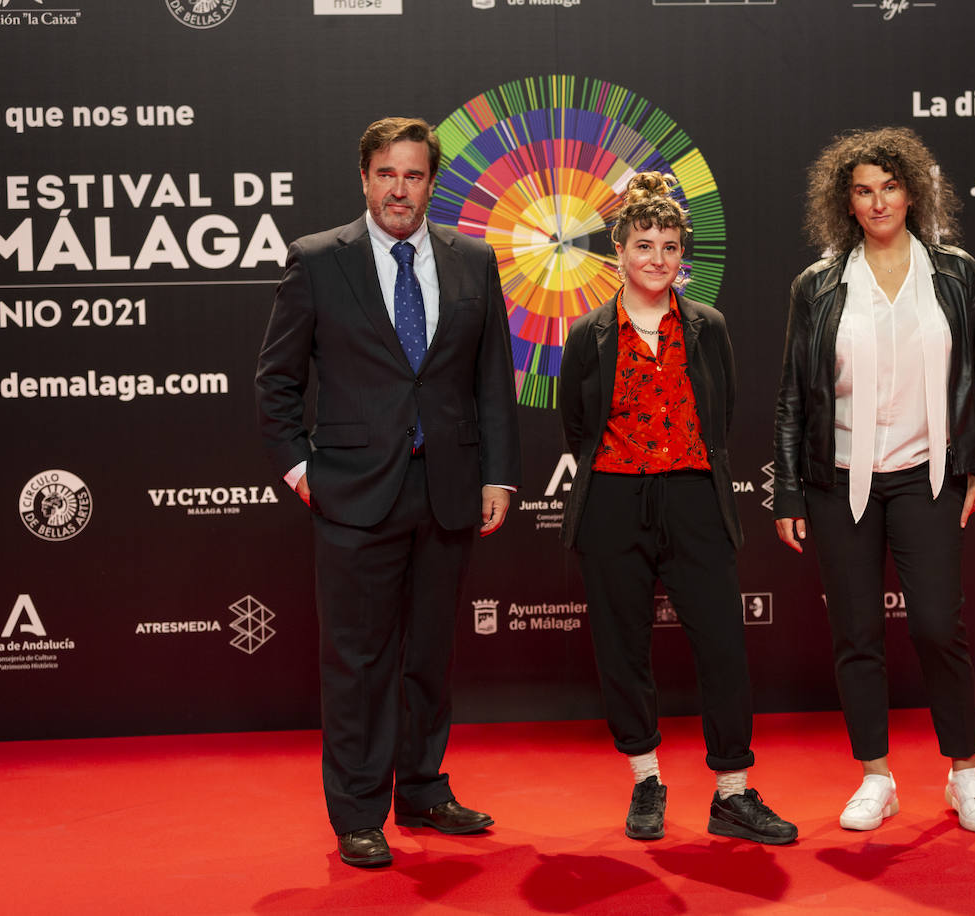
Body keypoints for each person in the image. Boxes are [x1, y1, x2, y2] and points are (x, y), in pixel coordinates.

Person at [255, 117, 521, 868]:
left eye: (413, 175)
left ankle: (424, 790)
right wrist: (304, 473)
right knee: (358, 660)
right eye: (386, 174)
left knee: (429, 655)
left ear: (431, 183)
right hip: (352, 493)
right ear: (365, 178)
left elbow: (490, 378)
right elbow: (276, 382)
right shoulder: (315, 261)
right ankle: (358, 812)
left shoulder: (473, 261)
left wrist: (498, 472)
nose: (399, 189)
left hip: (447, 488)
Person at [773, 127, 975, 834]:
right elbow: (793, 395)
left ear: (912, 192)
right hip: (838, 480)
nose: (878, 202)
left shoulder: (956, 273)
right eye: (863, 191)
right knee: (856, 634)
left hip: (928, 477)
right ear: (846, 203)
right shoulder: (816, 285)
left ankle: (963, 770)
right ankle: (876, 776)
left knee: (939, 627)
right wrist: (788, 490)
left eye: (889, 187)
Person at [558, 172, 797, 845]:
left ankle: (733, 792)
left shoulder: (707, 326)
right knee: (623, 649)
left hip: (694, 494)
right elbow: (575, 423)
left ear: (681, 254)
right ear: (619, 252)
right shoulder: (588, 333)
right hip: (611, 498)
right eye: (643, 244)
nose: (657, 258)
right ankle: (645, 780)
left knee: (722, 644)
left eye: (669, 246)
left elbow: (723, 412)